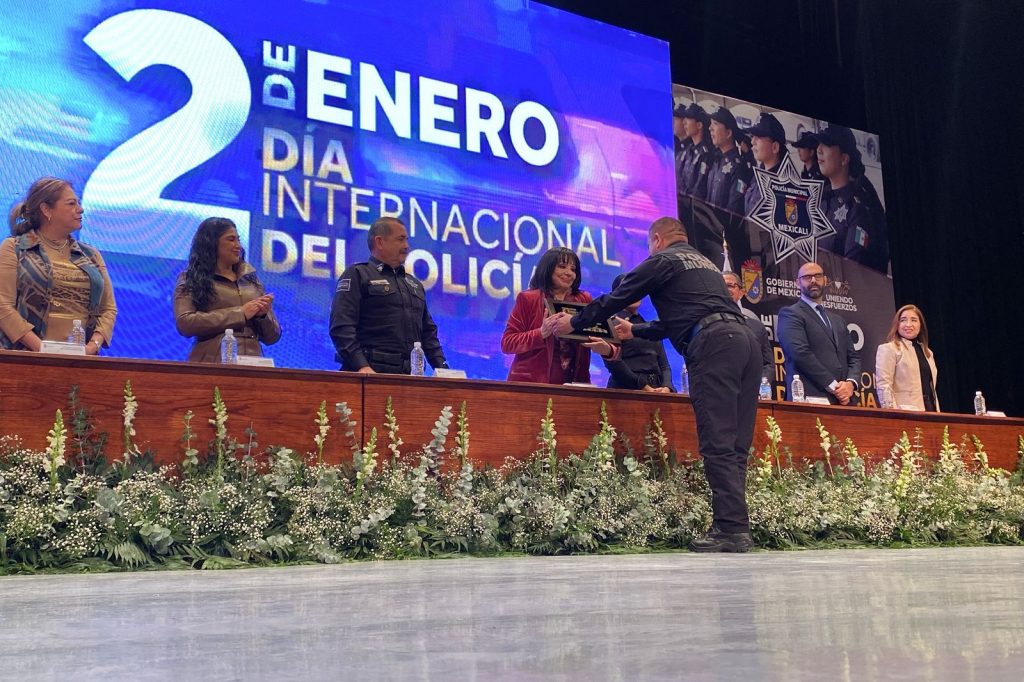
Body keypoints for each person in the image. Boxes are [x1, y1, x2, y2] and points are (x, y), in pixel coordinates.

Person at [552, 217, 761, 553]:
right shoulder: (705, 264)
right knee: (736, 443)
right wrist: (636, 331)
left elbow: (618, 296)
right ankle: (737, 526)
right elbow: (683, 318)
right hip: (746, 343)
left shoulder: (662, 259)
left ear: (657, 240)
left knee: (717, 440)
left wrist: (573, 321)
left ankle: (731, 530)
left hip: (715, 346)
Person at [1, 177, 116, 354]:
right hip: (24, 359)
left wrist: (92, 347)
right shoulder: (15, 248)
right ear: (46, 209)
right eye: (71, 204)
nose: (81, 209)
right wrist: (41, 349)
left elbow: (108, 308)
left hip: (81, 362)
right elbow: (3, 306)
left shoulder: (91, 255)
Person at [329, 217, 447, 374]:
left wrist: (444, 371)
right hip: (369, 374)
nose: (406, 246)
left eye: (407, 240)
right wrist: (361, 366)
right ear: (379, 242)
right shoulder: (358, 274)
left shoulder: (414, 285)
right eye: (400, 240)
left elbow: (428, 334)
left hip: (410, 379)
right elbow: (342, 327)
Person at [174, 217, 280, 362]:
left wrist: (262, 317)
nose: (238, 245)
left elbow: (272, 337)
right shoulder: (191, 278)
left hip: (254, 367)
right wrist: (240, 313)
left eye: (238, 239)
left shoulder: (252, 282)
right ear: (211, 243)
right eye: (230, 240)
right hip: (211, 365)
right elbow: (185, 323)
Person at [501, 247, 603, 384]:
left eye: (573, 269)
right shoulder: (528, 298)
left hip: (574, 387)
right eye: (562, 267)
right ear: (547, 269)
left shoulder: (584, 299)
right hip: (532, 385)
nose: (569, 273)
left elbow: (601, 335)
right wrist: (541, 333)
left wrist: (609, 349)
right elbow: (507, 343)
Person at [777, 262, 861, 405]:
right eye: (807, 277)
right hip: (810, 398)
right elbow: (800, 353)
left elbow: (853, 357)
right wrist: (835, 387)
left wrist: (850, 384)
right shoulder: (790, 314)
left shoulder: (838, 320)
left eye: (818, 276)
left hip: (845, 401)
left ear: (826, 280)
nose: (813, 280)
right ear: (798, 283)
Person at [816, 124, 889, 272]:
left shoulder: (858, 208)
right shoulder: (822, 199)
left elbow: (854, 270)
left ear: (844, 159)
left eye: (827, 145)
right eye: (819, 144)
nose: (818, 150)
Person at [584, 274, 674, 392]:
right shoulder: (610, 324)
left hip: (657, 391)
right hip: (626, 392)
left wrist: (667, 387)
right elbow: (615, 364)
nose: (634, 293)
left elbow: (664, 365)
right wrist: (644, 387)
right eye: (629, 289)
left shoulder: (648, 325)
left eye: (637, 288)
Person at [875, 304, 939, 411]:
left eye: (914, 320)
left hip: (931, 410)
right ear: (897, 324)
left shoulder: (928, 353)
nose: (908, 324)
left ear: (920, 325)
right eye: (903, 320)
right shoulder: (888, 349)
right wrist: (892, 413)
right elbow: (884, 385)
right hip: (905, 413)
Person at [723, 271, 773, 382]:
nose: (725, 289)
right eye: (721, 285)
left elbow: (768, 364)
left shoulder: (757, 327)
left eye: (730, 285)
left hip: (752, 392)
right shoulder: (707, 323)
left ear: (741, 293)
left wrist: (761, 386)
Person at [742, 112, 789, 216]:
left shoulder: (783, 187)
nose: (752, 141)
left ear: (775, 147)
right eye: (752, 136)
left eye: (758, 137)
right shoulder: (758, 175)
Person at [678, 103, 714, 200]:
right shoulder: (689, 149)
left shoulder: (706, 153)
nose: (684, 122)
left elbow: (699, 189)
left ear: (699, 125)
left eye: (688, 118)